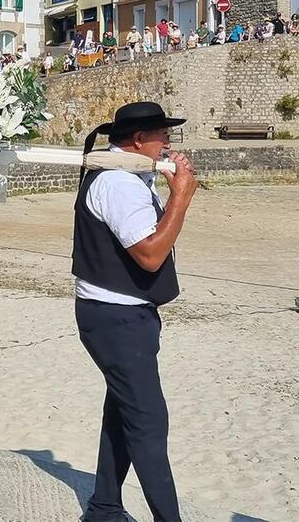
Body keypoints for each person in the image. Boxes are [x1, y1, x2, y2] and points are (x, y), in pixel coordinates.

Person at [74, 102, 197, 522]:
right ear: (139, 139)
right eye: (162, 134)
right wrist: (180, 198)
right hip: (117, 319)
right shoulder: (119, 184)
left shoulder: (120, 173)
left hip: (115, 314)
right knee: (148, 421)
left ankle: (104, 507)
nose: (168, 141)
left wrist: (166, 181)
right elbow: (149, 255)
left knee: (123, 412)